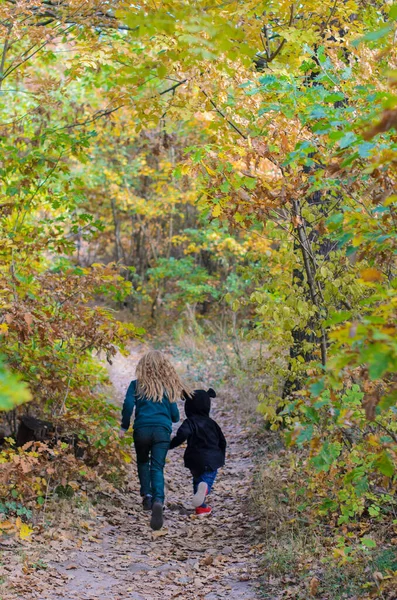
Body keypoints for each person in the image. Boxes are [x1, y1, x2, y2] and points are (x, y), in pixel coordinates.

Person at [119, 350, 188, 530]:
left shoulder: (136, 385)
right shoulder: (166, 388)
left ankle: (147, 497)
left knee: (142, 462)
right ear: (163, 369)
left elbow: (127, 405)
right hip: (161, 432)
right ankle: (159, 499)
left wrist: (124, 426)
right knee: (157, 467)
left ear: (143, 367)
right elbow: (175, 416)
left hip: (141, 430)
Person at [169, 387, 226, 516]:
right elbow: (222, 441)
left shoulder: (189, 422)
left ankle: (201, 508)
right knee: (206, 479)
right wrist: (221, 455)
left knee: (197, 479)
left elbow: (182, 435)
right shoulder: (212, 423)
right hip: (211, 458)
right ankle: (204, 489)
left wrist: (170, 445)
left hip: (194, 458)